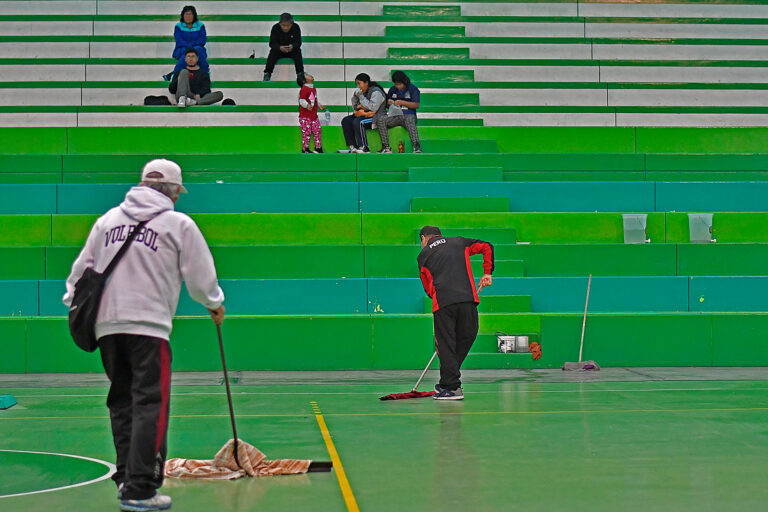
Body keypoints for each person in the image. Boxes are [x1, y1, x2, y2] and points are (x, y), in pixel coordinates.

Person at [63, 159, 226, 511]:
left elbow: (79, 275)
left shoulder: (108, 221)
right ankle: (140, 488)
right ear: (172, 190)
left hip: (107, 326)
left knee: (121, 401)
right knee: (151, 403)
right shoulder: (177, 223)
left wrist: (82, 312)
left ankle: (125, 477)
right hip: (148, 326)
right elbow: (201, 276)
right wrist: (214, 303)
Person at [417, 226, 494, 401]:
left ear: (423, 238)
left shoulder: (423, 256)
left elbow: (428, 287)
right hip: (468, 299)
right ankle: (448, 382)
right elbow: (487, 246)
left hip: (443, 303)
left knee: (446, 346)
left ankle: (450, 386)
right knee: (467, 337)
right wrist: (487, 273)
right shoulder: (459, 242)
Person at [340, 73, 386, 153]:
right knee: (346, 120)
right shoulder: (362, 92)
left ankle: (364, 147)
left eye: (359, 83)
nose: (358, 86)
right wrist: (355, 97)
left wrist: (361, 99)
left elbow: (373, 107)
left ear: (366, 83)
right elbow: (355, 107)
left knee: (359, 122)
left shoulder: (376, 92)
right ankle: (353, 146)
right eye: (357, 84)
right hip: (365, 115)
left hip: (377, 117)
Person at [379, 70, 422, 154]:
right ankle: (386, 147)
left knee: (409, 120)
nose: (398, 86)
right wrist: (389, 102)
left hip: (408, 115)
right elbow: (387, 105)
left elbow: (416, 105)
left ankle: (416, 146)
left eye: (399, 84)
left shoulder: (412, 89)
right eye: (396, 84)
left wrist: (402, 102)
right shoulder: (392, 89)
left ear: (404, 81)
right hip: (395, 116)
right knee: (381, 120)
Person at [165, 5, 208, 81]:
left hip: (197, 48)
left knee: (198, 50)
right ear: (183, 15)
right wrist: (190, 46)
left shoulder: (200, 25)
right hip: (182, 48)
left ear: (194, 15)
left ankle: (174, 73)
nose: (188, 16)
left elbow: (202, 39)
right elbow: (179, 40)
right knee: (187, 52)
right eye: (186, 14)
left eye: (190, 14)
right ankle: (175, 73)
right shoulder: (178, 26)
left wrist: (192, 46)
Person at [263, 13, 303, 82]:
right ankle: (267, 73)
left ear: (292, 24)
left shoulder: (296, 27)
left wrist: (292, 46)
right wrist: (279, 48)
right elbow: (272, 43)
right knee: (272, 52)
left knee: (298, 51)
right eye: (283, 25)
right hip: (279, 50)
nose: (286, 28)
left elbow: (298, 42)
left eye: (288, 25)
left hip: (292, 50)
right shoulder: (275, 27)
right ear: (280, 24)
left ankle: (300, 74)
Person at [298, 72, 325, 153]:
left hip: (314, 116)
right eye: (306, 75)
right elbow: (301, 100)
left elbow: (314, 99)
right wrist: (307, 105)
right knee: (307, 132)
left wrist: (319, 105)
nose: (309, 75)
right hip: (305, 117)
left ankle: (318, 147)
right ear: (304, 80)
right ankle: (305, 149)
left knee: (317, 130)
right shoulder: (304, 89)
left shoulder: (313, 89)